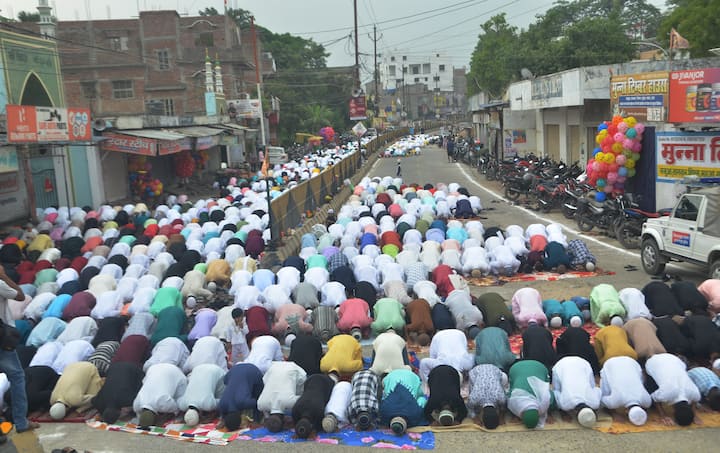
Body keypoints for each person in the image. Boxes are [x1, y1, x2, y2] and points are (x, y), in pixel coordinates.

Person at [0, 266, 40, 433]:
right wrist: (3, 276)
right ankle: (21, 422)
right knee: (17, 377)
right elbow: (20, 295)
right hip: (2, 339)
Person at [644, 352, 701, 426]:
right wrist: (663, 415)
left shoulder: (694, 393)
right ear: (674, 411)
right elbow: (654, 399)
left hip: (675, 359)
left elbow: (694, 401)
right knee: (651, 402)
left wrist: (695, 415)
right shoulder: (667, 394)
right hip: (654, 362)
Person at [599, 356, 652, 426]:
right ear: (626, 411)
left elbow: (646, 408)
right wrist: (614, 414)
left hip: (631, 361)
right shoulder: (615, 401)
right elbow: (602, 401)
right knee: (606, 390)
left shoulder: (647, 401)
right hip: (610, 364)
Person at [133, 363, 188, 428]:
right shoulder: (136, 405)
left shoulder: (163, 402)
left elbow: (177, 408)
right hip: (153, 368)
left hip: (175, 372)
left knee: (181, 403)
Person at [551, 356, 601, 428]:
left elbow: (597, 390)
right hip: (562, 365)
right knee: (557, 389)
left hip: (581, 363)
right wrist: (563, 413)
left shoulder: (595, 403)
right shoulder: (565, 405)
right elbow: (556, 393)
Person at [257, 361, 307, 432]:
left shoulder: (290, 402)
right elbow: (265, 380)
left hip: (293, 369)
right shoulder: (261, 404)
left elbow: (303, 399)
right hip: (274, 367)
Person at [507, 359, 555, 429]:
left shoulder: (545, 402)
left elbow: (549, 391)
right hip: (534, 367)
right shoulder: (513, 402)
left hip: (536, 367)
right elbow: (509, 393)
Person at [217, 363, 264, 431]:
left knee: (257, 394)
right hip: (234, 370)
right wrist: (223, 420)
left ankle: (258, 419)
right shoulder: (222, 405)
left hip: (253, 371)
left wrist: (256, 420)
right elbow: (225, 381)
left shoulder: (243, 402)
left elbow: (258, 403)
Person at [379, 369, 427, 435]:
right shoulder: (384, 411)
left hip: (407, 377)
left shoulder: (415, 413)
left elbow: (422, 400)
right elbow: (422, 398)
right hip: (394, 376)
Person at [292, 374, 335, 439]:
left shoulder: (319, 411)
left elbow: (319, 426)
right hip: (310, 379)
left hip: (327, 382)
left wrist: (314, 430)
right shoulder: (295, 410)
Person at [467, 364, 507, 429]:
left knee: (503, 379)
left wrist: (501, 417)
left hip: (495, 369)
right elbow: (469, 407)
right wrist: (475, 418)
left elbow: (503, 407)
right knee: (473, 388)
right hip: (476, 371)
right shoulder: (474, 398)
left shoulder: (501, 398)